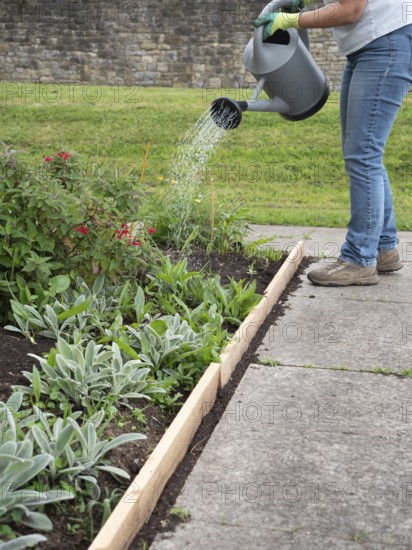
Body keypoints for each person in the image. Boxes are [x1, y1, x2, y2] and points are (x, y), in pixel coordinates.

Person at [254, 0, 412, 286]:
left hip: (385, 43)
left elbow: (351, 9)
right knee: (365, 154)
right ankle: (382, 249)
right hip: (370, 46)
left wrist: (294, 21)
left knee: (363, 155)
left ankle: (359, 259)